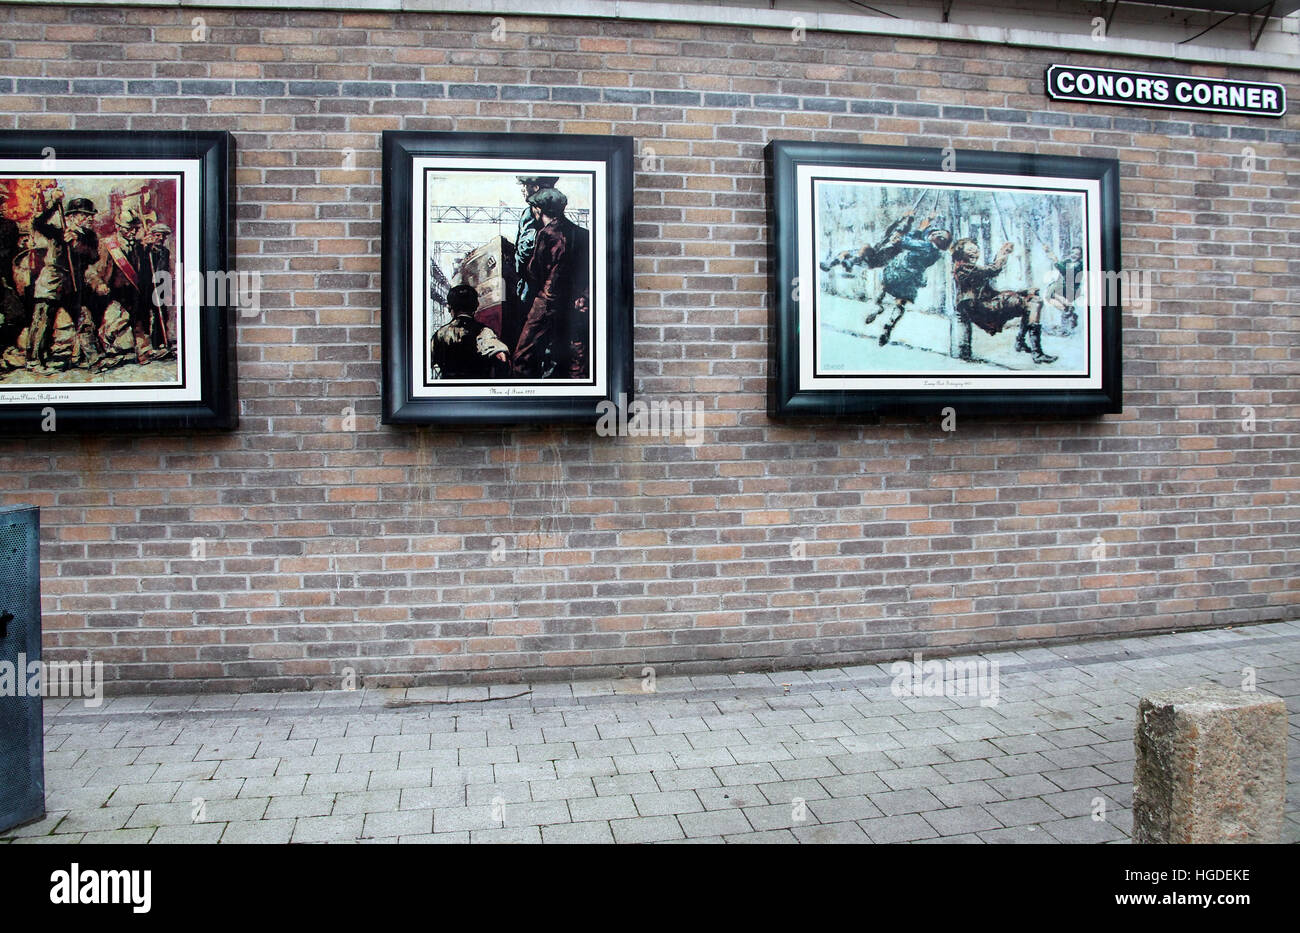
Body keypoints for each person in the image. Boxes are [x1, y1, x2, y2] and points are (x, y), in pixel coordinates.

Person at [513, 187, 590, 380]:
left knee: (523, 355)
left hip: (548, 300)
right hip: (575, 300)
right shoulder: (582, 234)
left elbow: (534, 270)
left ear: (538, 209)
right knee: (575, 353)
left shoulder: (546, 234)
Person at [26, 188, 99, 373]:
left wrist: (76, 243)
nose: (90, 218)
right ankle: (34, 360)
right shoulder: (57, 230)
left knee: (84, 318)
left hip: (74, 283)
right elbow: (37, 223)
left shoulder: (89, 236)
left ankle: (92, 358)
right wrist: (52, 203)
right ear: (73, 216)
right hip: (52, 280)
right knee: (43, 320)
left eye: (91, 215)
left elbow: (93, 256)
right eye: (85, 215)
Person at [951, 238, 1055, 364]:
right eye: (970, 249)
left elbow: (991, 292)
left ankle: (1024, 344)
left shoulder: (971, 268)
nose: (975, 252)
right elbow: (992, 270)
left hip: (985, 306)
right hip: (979, 308)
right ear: (961, 253)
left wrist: (1022, 293)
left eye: (976, 248)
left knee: (1034, 301)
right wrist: (1003, 253)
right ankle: (1031, 349)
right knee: (1033, 303)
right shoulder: (962, 268)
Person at [864, 226, 952, 347]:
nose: (934, 233)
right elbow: (918, 240)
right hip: (913, 279)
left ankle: (878, 306)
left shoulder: (925, 246)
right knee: (901, 302)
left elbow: (905, 242)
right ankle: (890, 324)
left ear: (940, 240)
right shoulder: (935, 253)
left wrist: (912, 233)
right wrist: (923, 229)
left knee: (884, 288)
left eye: (938, 234)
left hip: (899, 271)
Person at [430, 283, 510, 380]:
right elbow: (502, 358)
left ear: (450, 308)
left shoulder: (439, 334)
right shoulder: (484, 331)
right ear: (475, 306)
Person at [820, 210, 920, 274]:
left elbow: (906, 228)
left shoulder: (898, 246)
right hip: (865, 257)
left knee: (866, 247)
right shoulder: (887, 239)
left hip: (875, 261)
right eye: (895, 234)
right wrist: (902, 217)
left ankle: (852, 261)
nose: (895, 236)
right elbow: (891, 228)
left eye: (898, 235)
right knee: (844, 253)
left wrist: (910, 218)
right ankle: (830, 264)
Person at [1043, 244, 1083, 334]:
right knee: (1049, 296)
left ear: (1081, 256)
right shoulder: (1068, 261)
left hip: (1072, 289)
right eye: (1072, 252)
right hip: (1063, 288)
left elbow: (1066, 272)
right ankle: (1069, 312)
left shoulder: (1080, 265)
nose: (1073, 255)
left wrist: (1056, 261)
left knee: (1052, 292)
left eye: (1077, 254)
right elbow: (1060, 265)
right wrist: (1050, 253)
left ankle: (1069, 309)